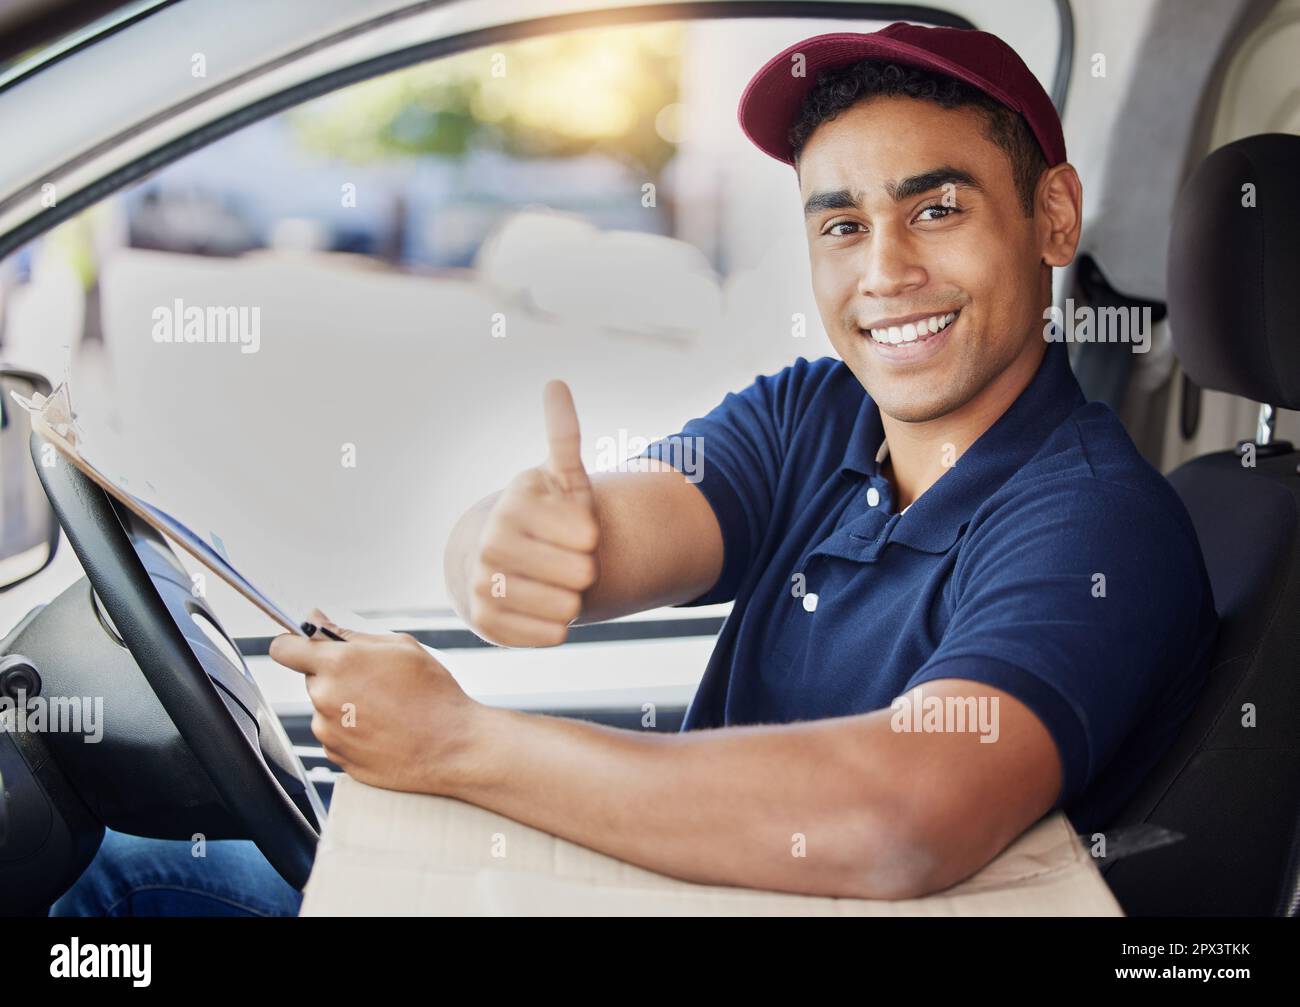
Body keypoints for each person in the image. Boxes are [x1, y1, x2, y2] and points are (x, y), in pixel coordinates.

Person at [54, 22, 1216, 915]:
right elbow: (616, 525)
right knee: (134, 877)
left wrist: (463, 742)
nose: (885, 271)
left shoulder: (1096, 523)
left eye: (937, 207)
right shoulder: (817, 412)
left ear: (1053, 215)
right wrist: (504, 547)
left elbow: (903, 812)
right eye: (842, 225)